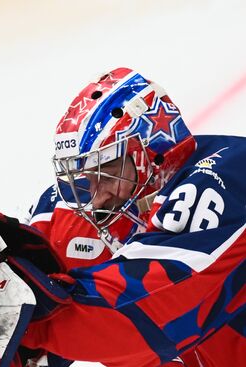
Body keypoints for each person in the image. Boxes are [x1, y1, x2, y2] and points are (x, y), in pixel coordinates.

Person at [20, 67, 245, 367]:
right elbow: (17, 333)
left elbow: (137, 313)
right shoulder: (68, 215)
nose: (96, 197)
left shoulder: (226, 179)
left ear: (152, 154)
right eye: (86, 179)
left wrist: (23, 312)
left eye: (109, 173)